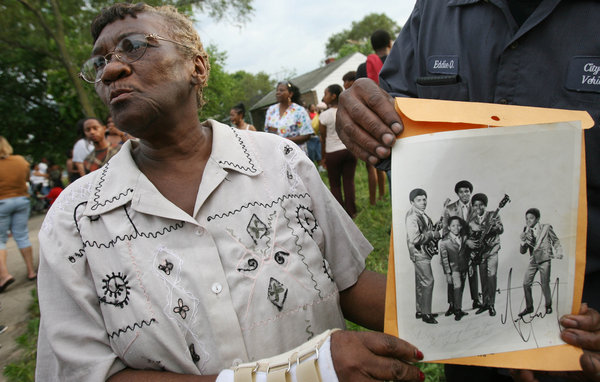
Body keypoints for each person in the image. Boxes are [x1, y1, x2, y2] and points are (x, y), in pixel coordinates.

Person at [35, 4, 425, 381]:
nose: (112, 70)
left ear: (197, 66)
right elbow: (85, 373)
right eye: (99, 63)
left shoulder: (280, 162)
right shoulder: (77, 220)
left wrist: (471, 317)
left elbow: (348, 283)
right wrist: (306, 375)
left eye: (135, 46)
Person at [336, 1, 600, 379]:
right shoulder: (434, 9)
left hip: (576, 337)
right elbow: (391, 113)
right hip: (463, 350)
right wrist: (363, 113)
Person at [0, 136, 37, 293]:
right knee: (22, 236)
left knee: (0, 240)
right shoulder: (21, 161)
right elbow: (27, 179)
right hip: (22, 200)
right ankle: (31, 271)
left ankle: (4, 275)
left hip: (2, 202)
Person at [442, 180, 482, 313]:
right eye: (461, 192)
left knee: (472, 272)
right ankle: (452, 304)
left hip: (472, 245)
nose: (465, 194)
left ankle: (476, 300)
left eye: (467, 191)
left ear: (470, 192)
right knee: (454, 274)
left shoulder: (476, 208)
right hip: (456, 246)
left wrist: (473, 242)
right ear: (457, 194)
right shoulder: (450, 208)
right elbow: (446, 231)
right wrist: (461, 242)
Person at [319, 84, 357, 218]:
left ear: (333, 96)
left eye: (325, 94)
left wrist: (323, 157)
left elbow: (323, 138)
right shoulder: (347, 111)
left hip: (332, 152)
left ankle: (341, 215)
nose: (324, 98)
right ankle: (352, 212)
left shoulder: (324, 116)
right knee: (349, 181)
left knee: (335, 185)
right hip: (349, 150)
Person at [405, 188, 442, 324]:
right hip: (418, 253)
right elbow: (415, 238)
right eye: (419, 200)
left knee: (421, 282)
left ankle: (420, 310)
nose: (423, 202)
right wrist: (432, 235)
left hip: (423, 252)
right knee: (428, 281)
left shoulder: (422, 214)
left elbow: (426, 230)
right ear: (412, 202)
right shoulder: (412, 217)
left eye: (424, 199)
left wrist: (437, 226)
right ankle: (426, 314)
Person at [519, 208, 563, 317]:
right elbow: (522, 252)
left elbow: (556, 241)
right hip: (533, 261)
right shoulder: (526, 231)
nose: (528, 221)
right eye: (526, 219)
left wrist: (559, 251)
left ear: (537, 219)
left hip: (545, 260)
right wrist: (522, 241)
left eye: (531, 218)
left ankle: (548, 305)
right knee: (526, 283)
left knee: (545, 285)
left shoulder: (546, 228)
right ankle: (529, 307)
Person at [469, 193, 504, 317]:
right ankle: (485, 303)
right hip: (481, 253)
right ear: (472, 206)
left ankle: (492, 304)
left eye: (481, 205)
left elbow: (501, 229)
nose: (478, 207)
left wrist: (494, 225)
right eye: (475, 205)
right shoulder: (472, 220)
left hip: (492, 250)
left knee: (491, 276)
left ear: (485, 205)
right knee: (483, 278)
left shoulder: (493, 215)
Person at [264, 81, 314, 154]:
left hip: (296, 153)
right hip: (277, 154)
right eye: (277, 90)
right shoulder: (271, 110)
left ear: (290, 94)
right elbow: (267, 131)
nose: (278, 92)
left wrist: (284, 140)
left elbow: (307, 135)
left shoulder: (299, 110)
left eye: (281, 90)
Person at [439, 216, 469, 321]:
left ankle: (458, 307)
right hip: (453, 269)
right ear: (449, 227)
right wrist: (448, 273)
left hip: (463, 268)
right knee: (457, 286)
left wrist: (468, 266)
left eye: (458, 225)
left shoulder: (463, 238)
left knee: (460, 288)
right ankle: (457, 310)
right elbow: (444, 259)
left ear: (461, 227)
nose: (456, 228)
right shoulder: (444, 241)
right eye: (453, 225)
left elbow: (466, 254)